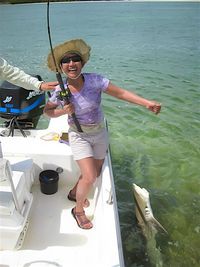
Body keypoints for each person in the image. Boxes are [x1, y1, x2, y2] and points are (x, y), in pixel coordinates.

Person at [44, 39, 161, 230]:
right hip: (78, 135)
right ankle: (78, 210)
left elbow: (121, 93)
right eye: (66, 61)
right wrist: (63, 111)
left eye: (75, 59)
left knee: (96, 173)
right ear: (61, 67)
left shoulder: (96, 80)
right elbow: (47, 111)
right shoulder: (60, 90)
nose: (71, 63)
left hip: (99, 132)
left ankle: (74, 192)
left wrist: (146, 103)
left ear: (82, 63)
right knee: (89, 177)